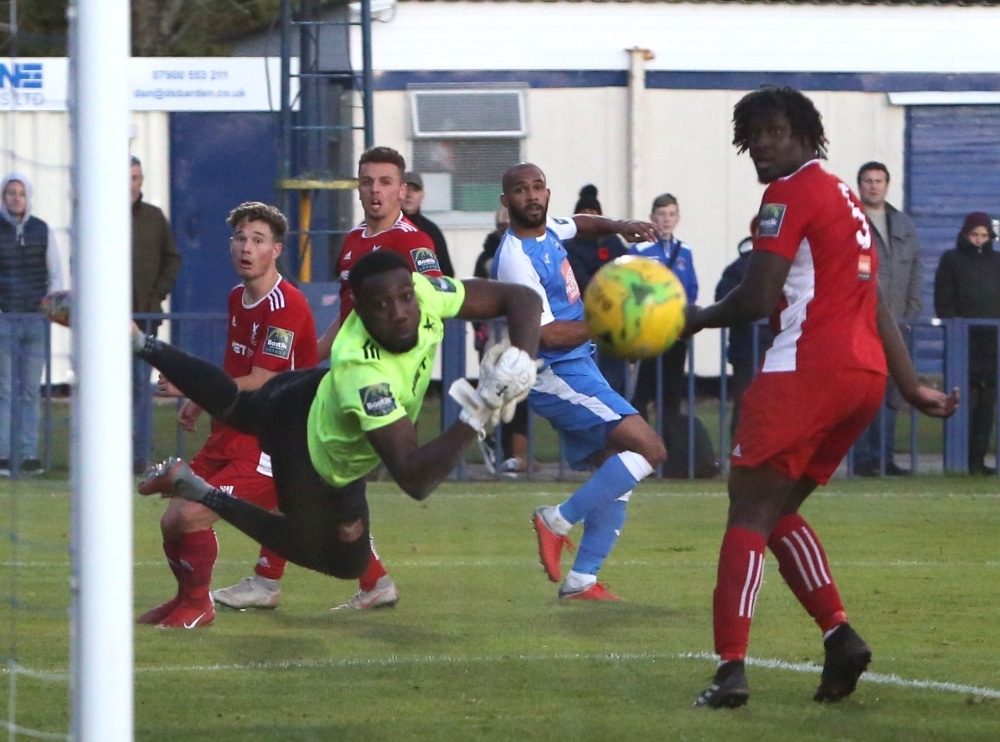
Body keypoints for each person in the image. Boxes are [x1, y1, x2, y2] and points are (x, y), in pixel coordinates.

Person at [683, 86, 958, 708]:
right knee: (777, 512)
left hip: (805, 370)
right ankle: (839, 635)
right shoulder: (842, 196)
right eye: (752, 134)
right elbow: (876, 300)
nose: (761, 144)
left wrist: (695, 318)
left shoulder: (787, 193)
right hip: (860, 377)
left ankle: (730, 669)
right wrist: (909, 383)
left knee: (748, 513)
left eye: (775, 132)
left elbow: (756, 300)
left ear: (807, 136)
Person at [130, 251, 541, 618]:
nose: (399, 311)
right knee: (342, 562)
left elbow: (523, 299)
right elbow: (414, 478)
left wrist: (520, 361)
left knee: (234, 405)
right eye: (381, 306)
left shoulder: (420, 291)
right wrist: (481, 408)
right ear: (359, 312)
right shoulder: (363, 371)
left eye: (404, 297)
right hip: (309, 459)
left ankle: (140, 341)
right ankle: (203, 492)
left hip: (306, 394)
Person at [493, 162, 668, 601]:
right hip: (553, 372)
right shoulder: (516, 257)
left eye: (538, 188)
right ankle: (556, 520)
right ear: (506, 201)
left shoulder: (549, 227)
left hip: (578, 364)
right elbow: (545, 334)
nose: (531, 196)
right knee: (650, 449)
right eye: (520, 190)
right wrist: (611, 318)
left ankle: (581, 579)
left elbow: (582, 224)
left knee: (622, 461)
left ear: (548, 194)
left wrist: (623, 226)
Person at [140, 201, 318, 629]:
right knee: (172, 519)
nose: (246, 247)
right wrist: (204, 399)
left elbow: (262, 378)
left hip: (269, 441)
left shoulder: (286, 306)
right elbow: (237, 365)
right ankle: (188, 599)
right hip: (233, 430)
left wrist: (194, 386)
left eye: (258, 240)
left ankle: (203, 604)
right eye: (240, 237)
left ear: (276, 250)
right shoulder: (239, 297)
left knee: (191, 514)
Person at [306, 146, 445, 610]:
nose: (375, 190)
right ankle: (370, 579)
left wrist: (406, 383)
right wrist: (306, 359)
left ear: (402, 191)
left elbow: (430, 311)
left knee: (313, 474)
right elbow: (345, 321)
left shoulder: (414, 243)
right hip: (345, 378)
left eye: (385, 182)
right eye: (367, 182)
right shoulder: (351, 242)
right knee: (316, 476)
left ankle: (276, 577)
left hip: (379, 386)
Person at [851, 162, 924, 477]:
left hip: (899, 323)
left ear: (887, 185)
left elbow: (916, 270)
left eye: (879, 181)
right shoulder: (850, 221)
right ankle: (863, 459)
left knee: (894, 392)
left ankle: (885, 457)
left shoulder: (903, 223)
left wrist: (912, 312)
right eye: (867, 181)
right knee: (863, 391)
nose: (873, 186)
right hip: (863, 323)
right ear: (859, 185)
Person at [0, 171, 64, 477]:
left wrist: (49, 308)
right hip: (4, 319)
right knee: (4, 391)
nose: (16, 198)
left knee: (29, 391)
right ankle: (3, 454)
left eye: (21, 193)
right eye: (11, 192)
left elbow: (55, 274)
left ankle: (28, 454)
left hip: (35, 322)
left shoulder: (42, 230)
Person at [934, 211, 1000, 475]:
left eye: (984, 236)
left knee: (987, 401)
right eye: (974, 235)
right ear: (964, 234)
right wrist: (955, 325)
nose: (979, 240)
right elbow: (943, 298)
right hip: (963, 341)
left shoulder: (997, 261)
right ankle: (958, 460)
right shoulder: (951, 260)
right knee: (965, 399)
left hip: (993, 343)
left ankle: (978, 460)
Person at [131, 155, 182, 475]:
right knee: (108, 388)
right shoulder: (100, 215)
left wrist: (157, 293)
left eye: (135, 177)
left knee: (139, 387)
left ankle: (139, 454)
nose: (130, 183)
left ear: (141, 181)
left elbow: (172, 258)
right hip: (107, 322)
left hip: (145, 317)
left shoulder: (153, 217)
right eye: (126, 176)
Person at [629, 193, 698, 429]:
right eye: (661, 214)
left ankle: (670, 446)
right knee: (642, 391)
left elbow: (691, 287)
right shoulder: (640, 249)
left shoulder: (684, 250)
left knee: (672, 392)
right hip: (649, 331)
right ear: (651, 217)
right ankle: (641, 444)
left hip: (676, 333)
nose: (666, 220)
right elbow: (629, 287)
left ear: (677, 217)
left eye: (671, 214)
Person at [562, 184, 629, 397]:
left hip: (614, 318)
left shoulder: (613, 242)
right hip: (583, 316)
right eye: (585, 214)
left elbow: (625, 270)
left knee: (614, 377)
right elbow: (576, 277)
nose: (590, 218)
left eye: (594, 213)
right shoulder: (569, 246)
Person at [714, 233, 773, 441]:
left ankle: (743, 449)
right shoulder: (743, 268)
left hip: (749, 348)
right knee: (749, 402)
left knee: (749, 402)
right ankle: (744, 448)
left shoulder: (737, 268)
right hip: (750, 349)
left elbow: (723, 301)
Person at [402, 171, 454, 277]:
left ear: (422, 195)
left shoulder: (431, 231)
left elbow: (447, 272)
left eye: (415, 190)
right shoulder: (383, 226)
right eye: (405, 189)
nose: (409, 195)